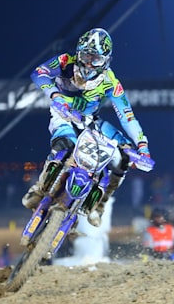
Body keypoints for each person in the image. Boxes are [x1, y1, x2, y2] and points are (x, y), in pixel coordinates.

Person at [22, 28, 151, 226]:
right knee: (65, 146)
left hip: (90, 121)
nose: (89, 64)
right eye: (85, 56)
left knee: (123, 158)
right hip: (63, 113)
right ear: (78, 53)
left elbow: (127, 116)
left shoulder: (110, 82)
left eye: (96, 59)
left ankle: (99, 204)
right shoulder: (66, 61)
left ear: (106, 60)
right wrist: (54, 96)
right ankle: (39, 190)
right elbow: (39, 73)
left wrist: (143, 147)